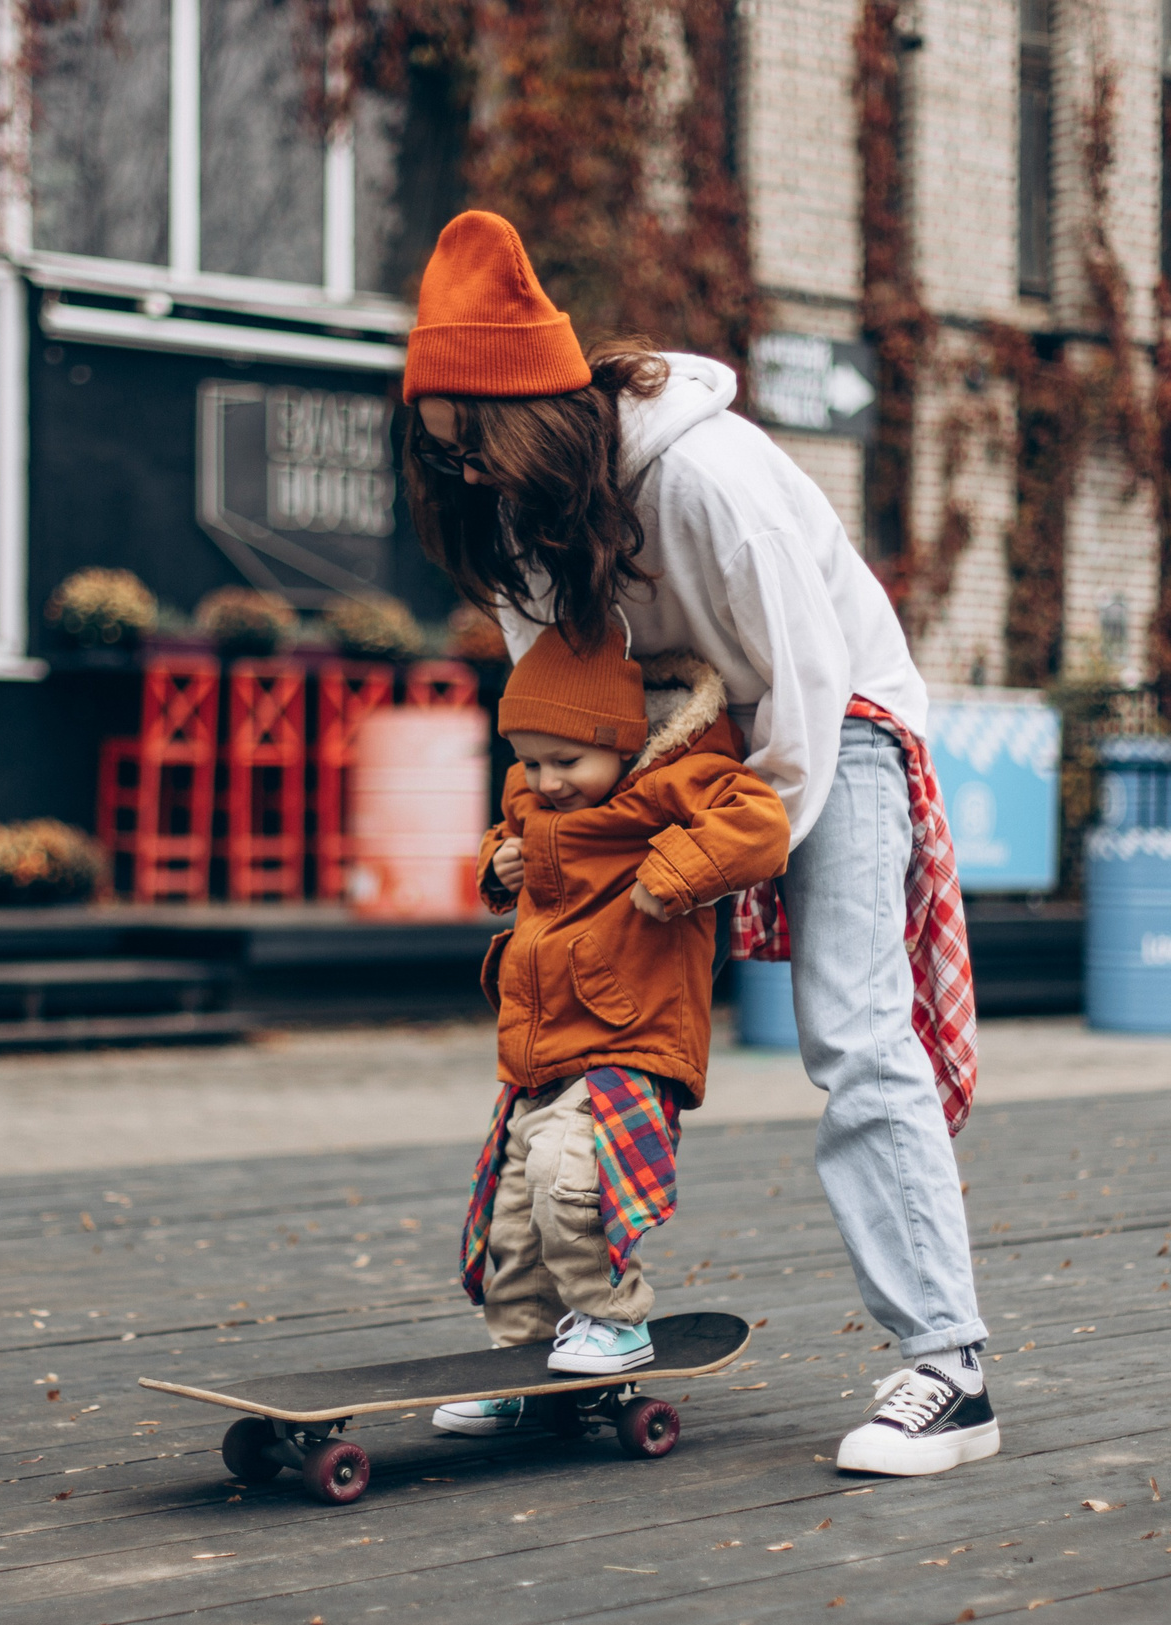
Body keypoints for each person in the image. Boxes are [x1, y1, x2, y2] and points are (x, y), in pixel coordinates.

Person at [402, 210, 997, 1478]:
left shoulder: (708, 480)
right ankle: (565, 1330)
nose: (469, 480)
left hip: (828, 727)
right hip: (661, 743)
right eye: (444, 456)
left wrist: (717, 854)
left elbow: (804, 687)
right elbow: (556, 719)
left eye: (477, 449)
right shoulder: (517, 519)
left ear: (533, 419)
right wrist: (542, 850)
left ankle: (950, 1371)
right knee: (577, 1021)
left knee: (851, 1028)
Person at [431, 621, 788, 1436]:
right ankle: (522, 1362)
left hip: (630, 1040)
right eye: (530, 762)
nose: (547, 781)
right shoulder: (534, 800)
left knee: (569, 1178)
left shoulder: (676, 781)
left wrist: (678, 871)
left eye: (567, 761)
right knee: (514, 1222)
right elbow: (511, 834)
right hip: (541, 1050)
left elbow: (761, 825)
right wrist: (497, 861)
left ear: (622, 742)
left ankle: (614, 1320)